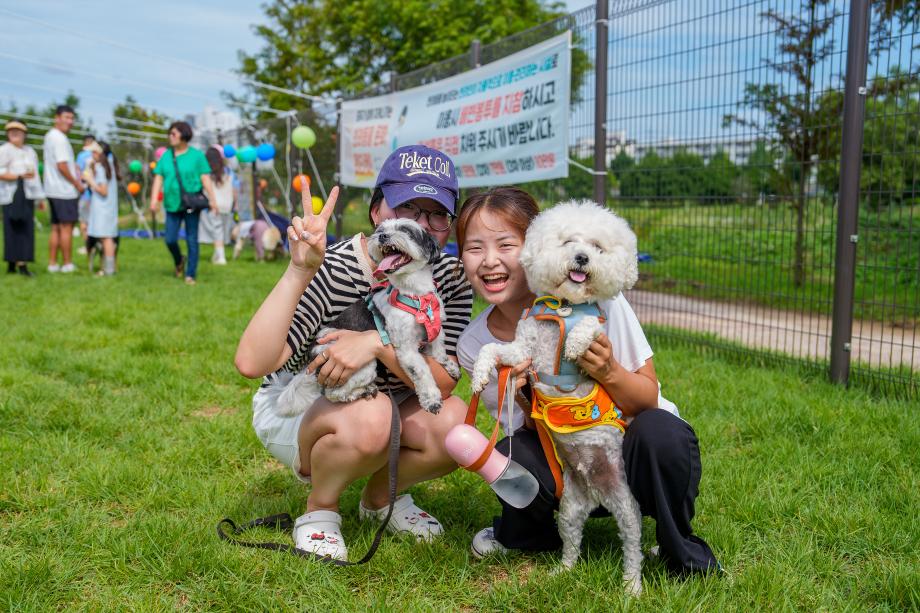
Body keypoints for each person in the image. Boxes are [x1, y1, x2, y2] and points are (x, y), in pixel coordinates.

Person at [454, 186, 721, 575]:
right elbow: (529, 434)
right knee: (513, 451)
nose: (490, 261)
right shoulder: (474, 343)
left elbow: (647, 398)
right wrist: (528, 398)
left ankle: (677, 547)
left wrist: (608, 370)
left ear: (533, 243)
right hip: (569, 457)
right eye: (474, 248)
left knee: (661, 431)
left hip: (630, 453)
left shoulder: (599, 300)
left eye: (505, 244)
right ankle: (532, 534)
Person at [235, 145, 472, 561]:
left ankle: (381, 498)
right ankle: (320, 511)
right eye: (408, 207)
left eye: (436, 214)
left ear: (448, 228)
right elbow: (252, 364)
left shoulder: (449, 280)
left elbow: (445, 384)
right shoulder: (337, 265)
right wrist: (300, 270)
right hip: (300, 406)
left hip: (390, 402)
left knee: (454, 424)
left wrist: (375, 345)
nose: (420, 224)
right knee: (372, 414)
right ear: (377, 210)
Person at [149, 121, 218, 285]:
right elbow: (158, 178)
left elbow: (205, 178)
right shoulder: (166, 155)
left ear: (184, 135)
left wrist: (213, 200)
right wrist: (153, 200)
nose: (170, 137)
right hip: (171, 203)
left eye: (174, 133)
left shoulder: (197, 155)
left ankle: (190, 274)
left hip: (191, 204)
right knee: (170, 239)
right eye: (170, 133)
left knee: (191, 239)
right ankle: (179, 259)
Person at [0, 120, 44, 277]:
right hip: (10, 196)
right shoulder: (4, 150)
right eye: (12, 131)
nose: (15, 133)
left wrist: (40, 198)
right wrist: (18, 176)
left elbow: (36, 176)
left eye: (18, 131)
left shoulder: (29, 151)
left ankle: (23, 263)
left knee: (25, 229)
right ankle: (11, 262)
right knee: (11, 229)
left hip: (28, 195)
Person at [43, 104, 83, 273]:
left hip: (52, 190)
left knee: (55, 228)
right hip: (64, 191)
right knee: (66, 228)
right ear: (57, 118)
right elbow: (62, 165)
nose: (70, 121)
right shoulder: (59, 138)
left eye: (72, 118)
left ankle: (53, 264)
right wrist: (76, 183)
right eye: (66, 117)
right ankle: (67, 263)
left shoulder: (50, 136)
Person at [84, 141, 120, 276]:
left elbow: (103, 191)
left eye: (94, 152)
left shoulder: (101, 168)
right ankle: (106, 268)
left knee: (106, 238)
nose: (92, 154)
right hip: (107, 208)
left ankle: (108, 270)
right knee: (106, 238)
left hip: (102, 209)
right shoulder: (109, 165)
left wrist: (90, 180)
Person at [198, 145, 237, 265]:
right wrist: (234, 205)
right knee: (220, 231)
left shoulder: (205, 173)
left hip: (213, 205)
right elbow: (234, 190)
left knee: (217, 231)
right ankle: (217, 255)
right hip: (226, 206)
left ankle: (221, 257)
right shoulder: (228, 171)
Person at [75, 133, 96, 254]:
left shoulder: (82, 156)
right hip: (97, 194)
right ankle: (95, 246)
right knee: (94, 222)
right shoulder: (98, 155)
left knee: (84, 222)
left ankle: (88, 247)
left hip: (85, 194)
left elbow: (78, 172)